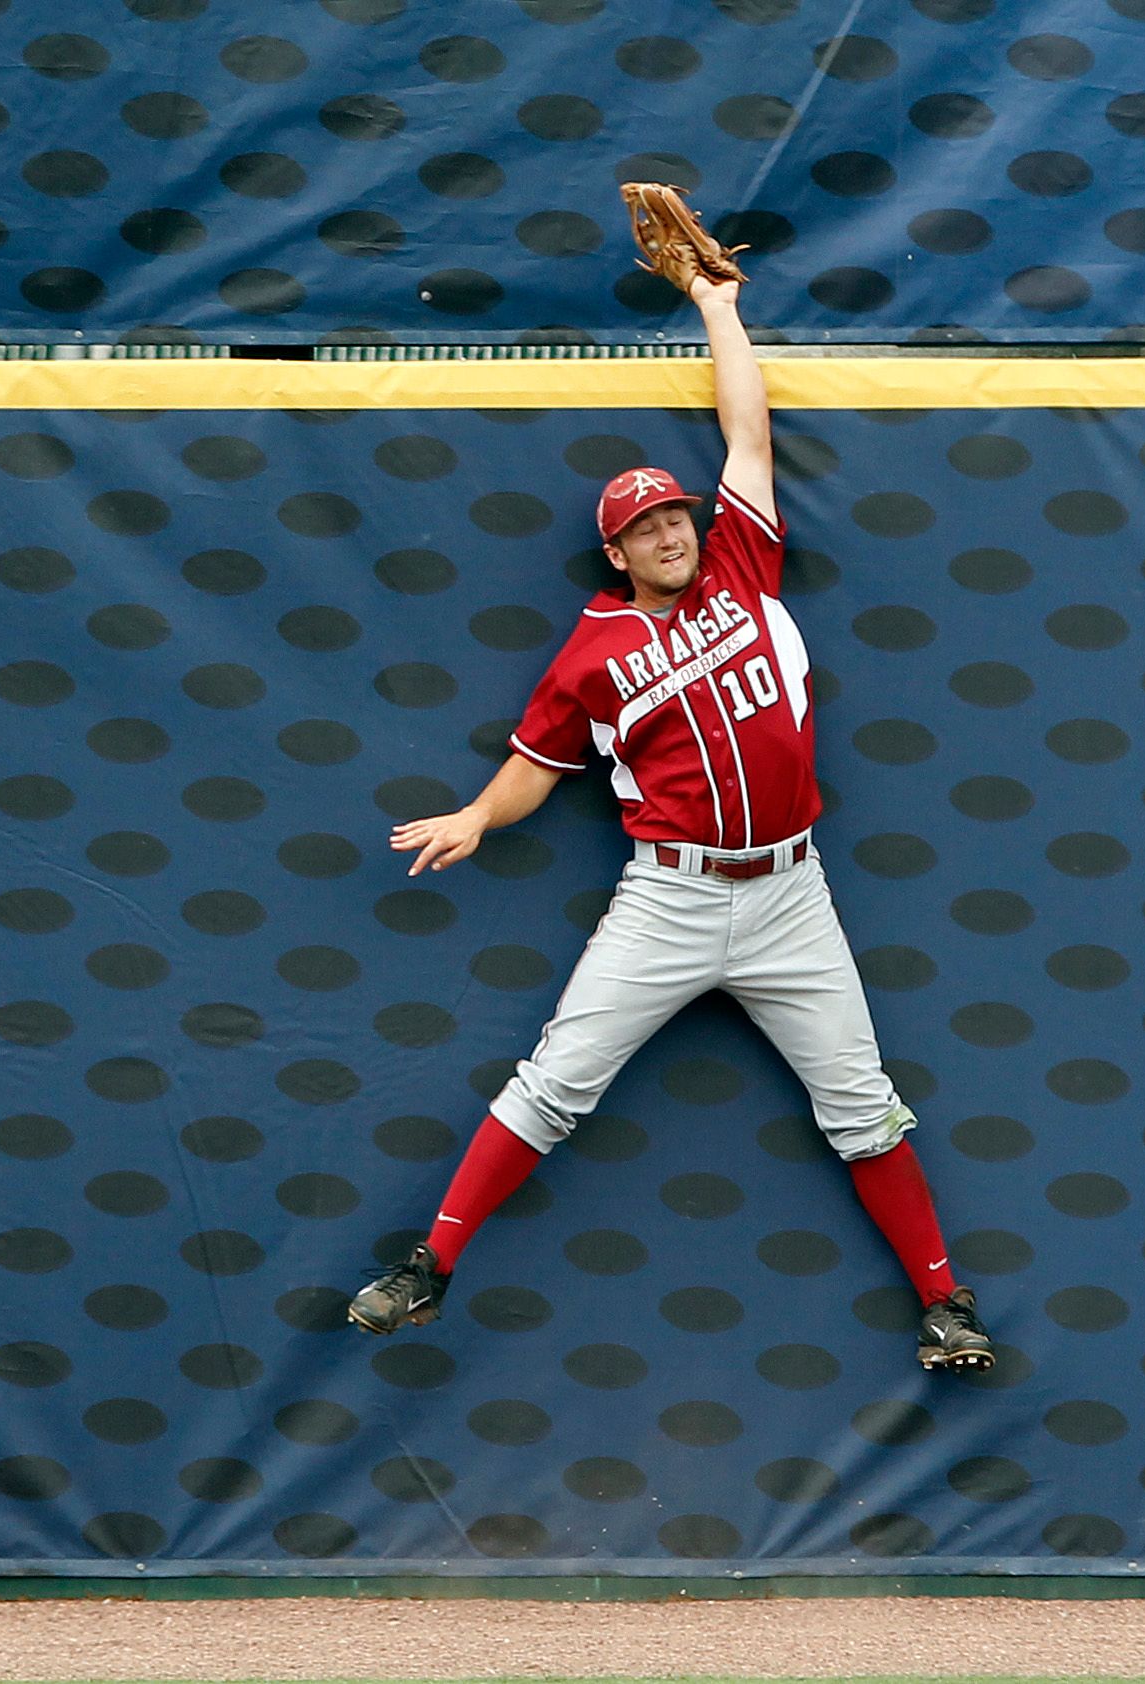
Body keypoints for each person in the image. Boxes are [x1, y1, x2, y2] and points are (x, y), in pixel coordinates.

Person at [347, 273, 993, 1374]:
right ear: (615, 550)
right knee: (552, 1083)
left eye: (673, 517)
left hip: (791, 891)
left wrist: (716, 305)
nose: (667, 533)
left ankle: (944, 1305)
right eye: (643, 526)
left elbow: (747, 432)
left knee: (861, 1103)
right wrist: (475, 816)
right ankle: (430, 1267)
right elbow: (531, 769)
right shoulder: (590, 654)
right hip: (671, 894)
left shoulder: (741, 564)